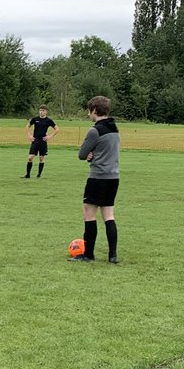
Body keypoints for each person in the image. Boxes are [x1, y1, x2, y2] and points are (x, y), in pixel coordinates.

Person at [71, 95, 120, 264]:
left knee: (89, 213)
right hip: (114, 177)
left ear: (94, 110)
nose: (88, 114)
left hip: (98, 177)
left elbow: (81, 154)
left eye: (89, 111)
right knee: (109, 215)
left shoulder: (94, 130)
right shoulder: (115, 129)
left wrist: (91, 156)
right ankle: (112, 255)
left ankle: (88, 254)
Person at [24, 105, 58, 178]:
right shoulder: (35, 119)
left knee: (41, 158)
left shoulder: (49, 121)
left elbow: (57, 129)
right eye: (40, 110)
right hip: (35, 140)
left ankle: (39, 175)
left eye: (43, 110)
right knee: (30, 157)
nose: (41, 112)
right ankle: (27, 175)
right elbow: (27, 127)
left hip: (43, 141)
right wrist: (29, 136)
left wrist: (49, 136)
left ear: (46, 111)